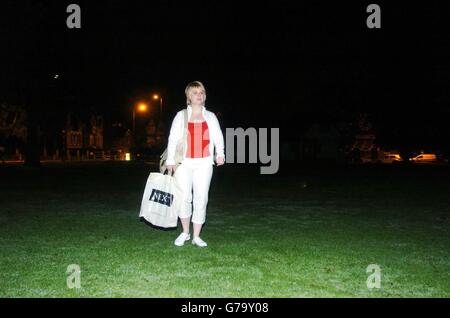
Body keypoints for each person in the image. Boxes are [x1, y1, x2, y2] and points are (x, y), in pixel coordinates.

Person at [165, 81, 225, 247]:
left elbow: (218, 137)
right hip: (183, 163)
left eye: (201, 92)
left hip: (204, 163)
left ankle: (196, 236)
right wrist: (170, 160)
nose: (199, 95)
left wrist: (220, 154)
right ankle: (185, 232)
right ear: (188, 97)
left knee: (201, 198)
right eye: (195, 93)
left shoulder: (210, 116)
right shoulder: (181, 115)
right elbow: (173, 138)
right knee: (184, 197)